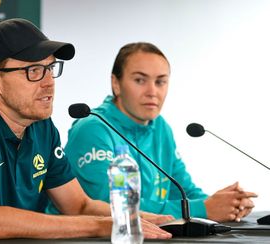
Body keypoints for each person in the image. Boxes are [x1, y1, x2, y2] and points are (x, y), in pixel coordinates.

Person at [0, 20, 173, 243]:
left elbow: (78, 206)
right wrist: (101, 226)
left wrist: (151, 218)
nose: (48, 83)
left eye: (50, 68)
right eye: (33, 70)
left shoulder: (41, 126)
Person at [57, 42, 257, 223]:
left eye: (160, 81)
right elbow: (106, 204)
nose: (152, 91)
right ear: (116, 84)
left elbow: (182, 189)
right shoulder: (93, 129)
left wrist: (227, 204)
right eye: (140, 80)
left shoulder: (160, 127)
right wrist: (204, 208)